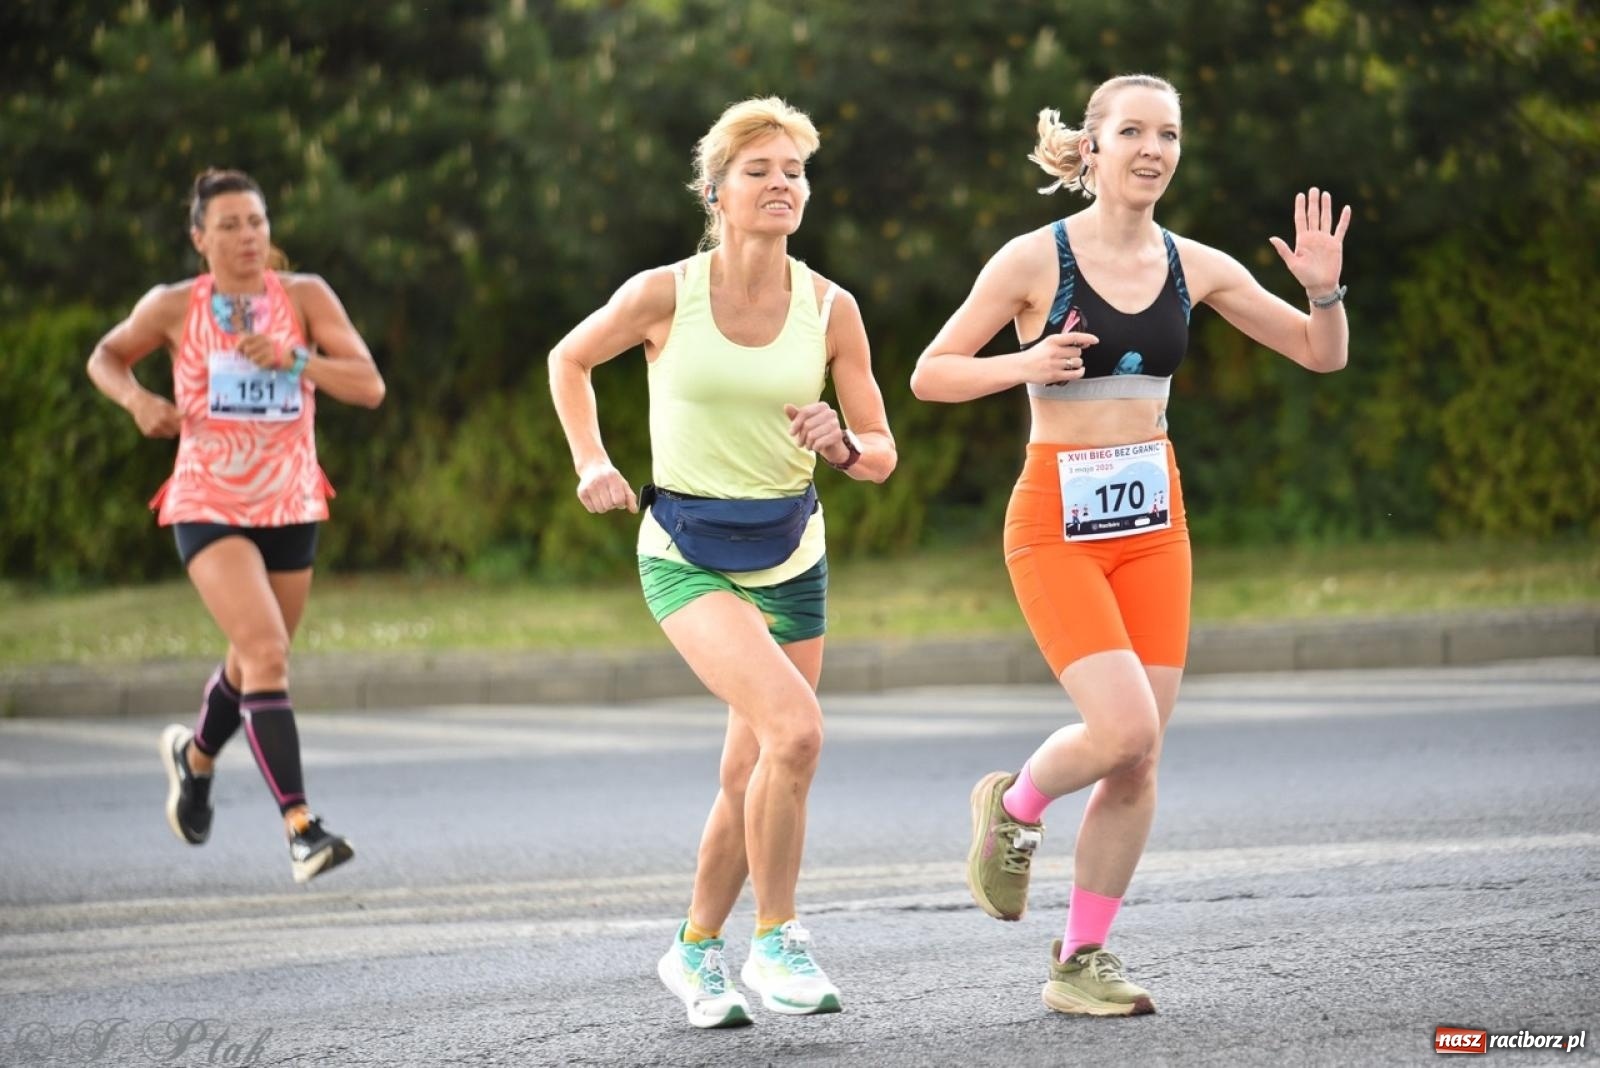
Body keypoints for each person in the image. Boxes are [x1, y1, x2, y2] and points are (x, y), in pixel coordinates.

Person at [911, 74, 1350, 1016]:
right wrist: (1025, 363)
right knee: (1124, 731)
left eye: (1170, 135)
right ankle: (1015, 806)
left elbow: (1322, 353)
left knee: (1140, 759)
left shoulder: (1196, 265)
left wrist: (1325, 294)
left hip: (1155, 527)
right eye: (1134, 132)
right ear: (1093, 148)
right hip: (1055, 524)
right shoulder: (1035, 259)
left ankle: (1081, 961)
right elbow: (930, 374)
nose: (1154, 149)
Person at [548, 97, 896, 1029]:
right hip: (686, 553)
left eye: (795, 172)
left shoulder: (831, 309)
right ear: (716, 191)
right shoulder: (664, 294)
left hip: (792, 553)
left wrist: (842, 443)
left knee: (754, 769)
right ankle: (776, 939)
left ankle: (695, 949)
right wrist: (592, 462)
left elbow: (879, 451)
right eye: (760, 170)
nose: (783, 184)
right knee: (798, 733)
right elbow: (569, 361)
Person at [87, 168, 386, 883]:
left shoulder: (305, 297)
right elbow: (105, 357)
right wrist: (136, 401)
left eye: (256, 221)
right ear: (200, 238)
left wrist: (295, 358)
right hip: (208, 499)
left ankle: (193, 760)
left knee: (254, 658)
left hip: (290, 502)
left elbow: (368, 386)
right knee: (267, 653)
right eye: (229, 225)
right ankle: (301, 828)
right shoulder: (172, 305)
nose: (248, 235)